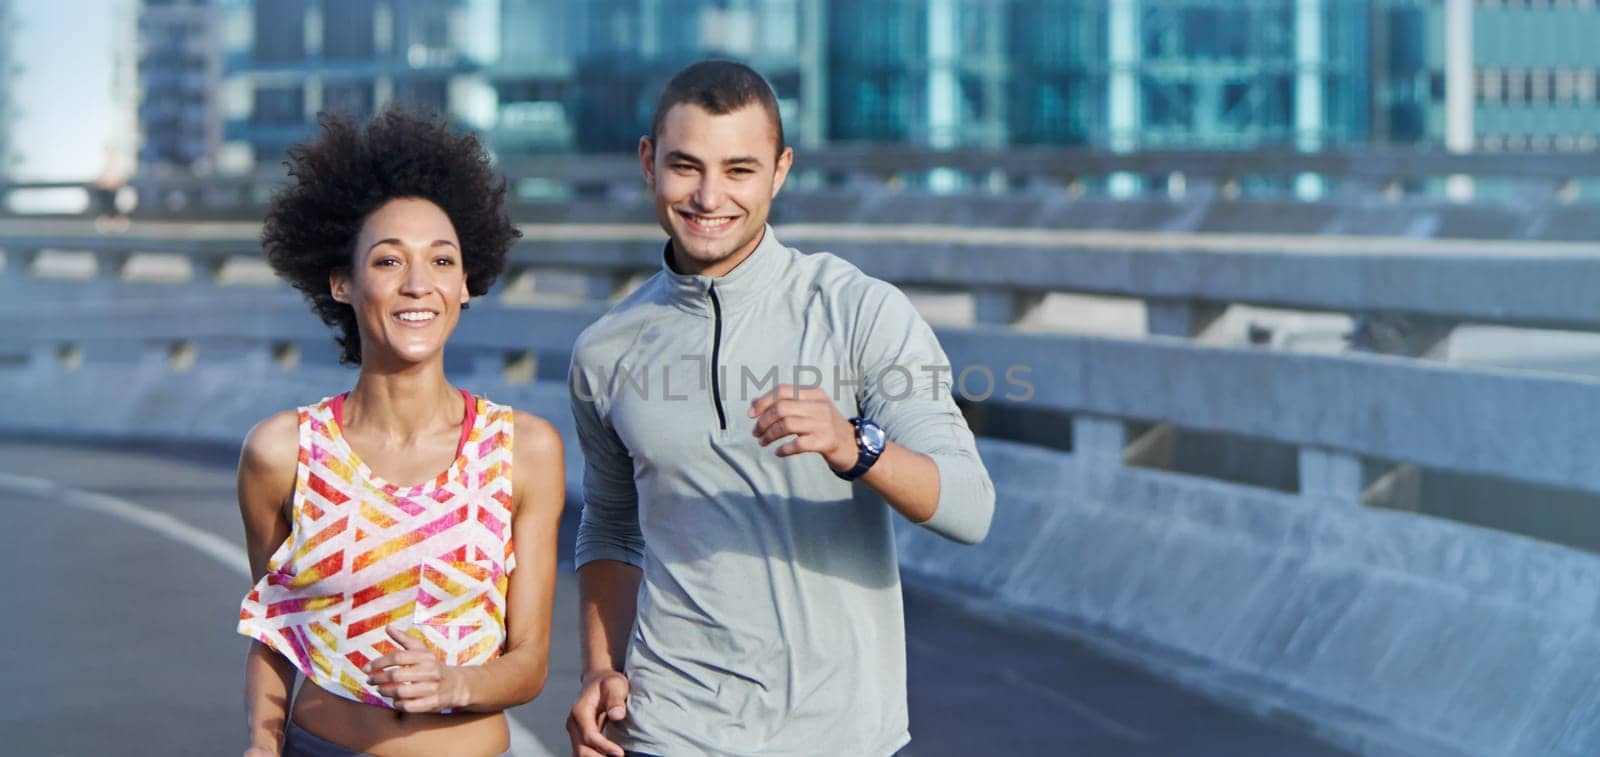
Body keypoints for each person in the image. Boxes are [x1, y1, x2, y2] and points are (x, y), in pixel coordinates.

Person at [565, 60, 995, 757]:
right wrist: (598, 667)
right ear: (649, 162)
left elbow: (971, 507)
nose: (709, 196)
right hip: (668, 730)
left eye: (739, 169)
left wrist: (855, 445)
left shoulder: (860, 311)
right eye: (685, 166)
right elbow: (611, 527)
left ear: (780, 169)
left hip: (838, 734)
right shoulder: (605, 350)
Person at [236, 106, 565, 757]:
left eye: (442, 261)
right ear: (342, 283)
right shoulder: (282, 452)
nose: (419, 284)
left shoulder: (524, 450)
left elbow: (528, 661)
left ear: (466, 283)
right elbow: (276, 634)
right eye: (388, 261)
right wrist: (260, 744)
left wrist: (457, 681)